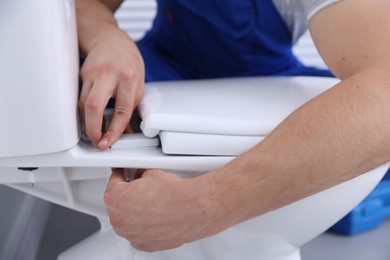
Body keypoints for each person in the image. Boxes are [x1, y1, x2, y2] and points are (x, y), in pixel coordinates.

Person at [75, 0, 390, 252]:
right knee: (80, 87)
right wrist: (106, 37)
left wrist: (203, 206)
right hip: (165, 65)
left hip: (264, 80)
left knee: (359, 126)